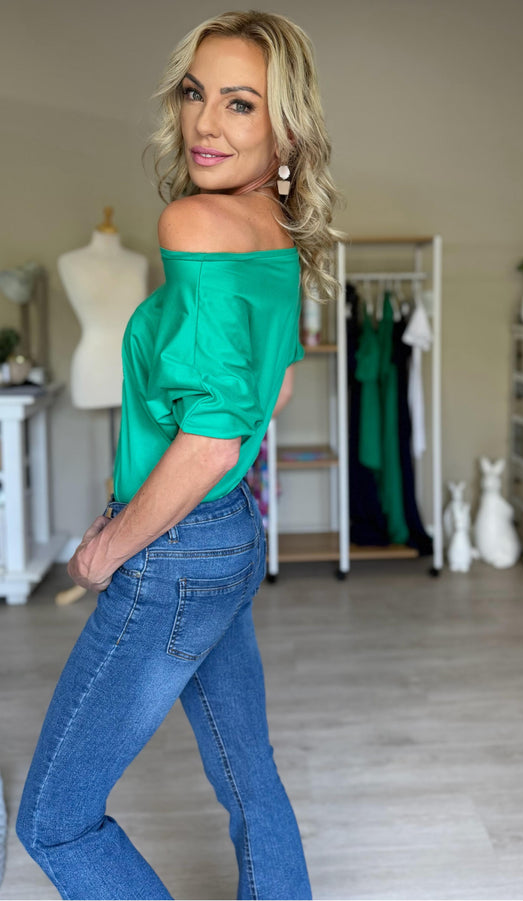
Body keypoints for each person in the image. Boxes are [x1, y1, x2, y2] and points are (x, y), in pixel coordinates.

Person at [16, 10, 340, 900]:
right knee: (248, 777)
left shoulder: (195, 222)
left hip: (176, 551)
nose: (205, 122)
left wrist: (109, 547)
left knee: (53, 820)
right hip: (229, 535)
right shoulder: (276, 231)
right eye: (197, 93)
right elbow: (272, 393)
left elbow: (209, 439)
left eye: (240, 103)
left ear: (284, 129)